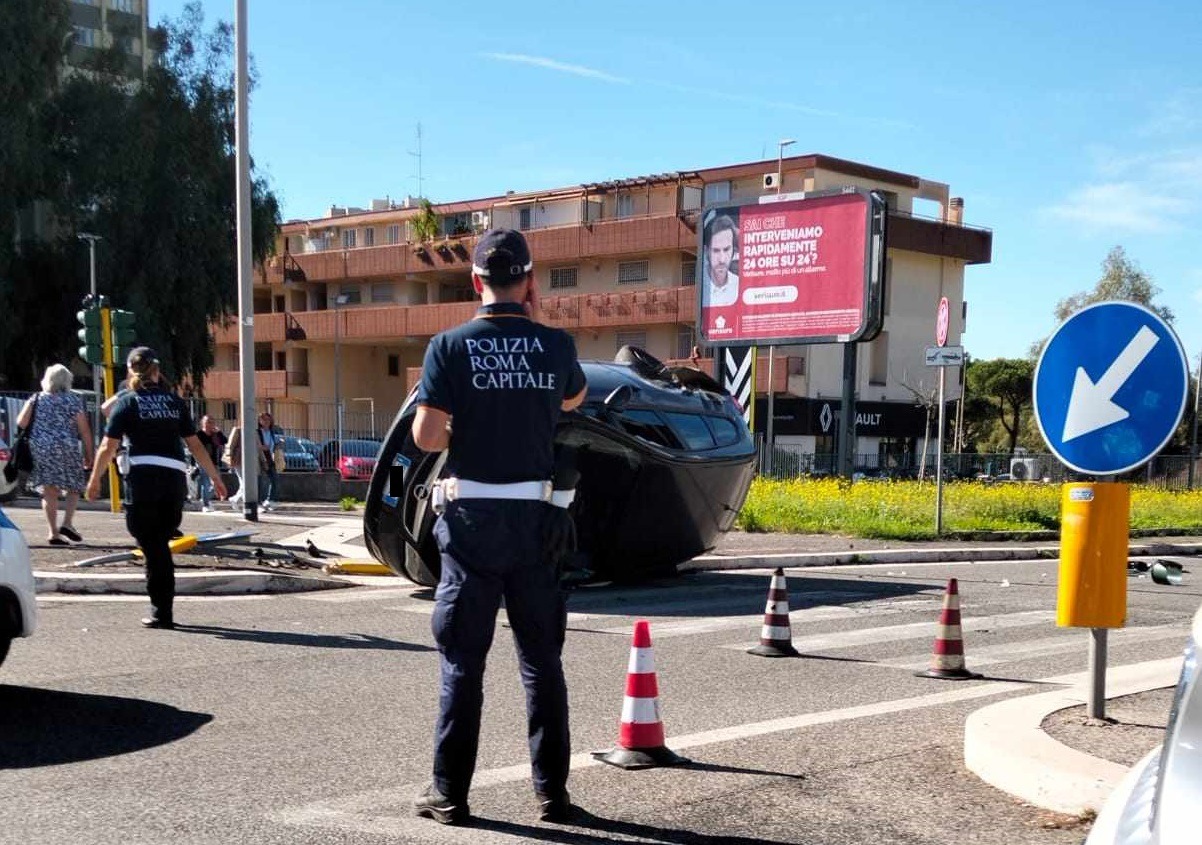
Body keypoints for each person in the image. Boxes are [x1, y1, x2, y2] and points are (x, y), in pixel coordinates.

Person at [411, 229, 587, 826]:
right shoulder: (556, 345)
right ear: (531, 283)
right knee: (542, 662)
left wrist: (469, 425)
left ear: (475, 281)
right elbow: (574, 401)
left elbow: (427, 437)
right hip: (537, 522)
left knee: (464, 662)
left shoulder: (448, 346)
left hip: (472, 522)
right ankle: (552, 795)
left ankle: (450, 795)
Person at [85, 348, 227, 629]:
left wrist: (93, 480)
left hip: (144, 480)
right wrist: (216, 478)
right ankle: (163, 609)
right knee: (158, 544)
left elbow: (107, 446)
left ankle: (162, 612)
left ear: (130, 371)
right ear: (157, 372)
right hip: (174, 482)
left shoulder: (127, 402)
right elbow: (195, 445)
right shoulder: (174, 402)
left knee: (152, 545)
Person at [17, 364, 94, 545]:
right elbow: (84, 430)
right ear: (67, 381)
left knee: (49, 491)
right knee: (74, 486)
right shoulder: (73, 400)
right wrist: (89, 454)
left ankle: (53, 532)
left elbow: (21, 422)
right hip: (67, 447)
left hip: (41, 447)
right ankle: (67, 523)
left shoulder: (36, 398)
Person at [703, 213, 740, 308]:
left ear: (733, 249)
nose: (722, 259)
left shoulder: (739, 285)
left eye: (727, 249)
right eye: (716, 250)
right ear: (706, 251)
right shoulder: (699, 285)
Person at [195, 416, 227, 512]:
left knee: (215, 483)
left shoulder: (215, 434)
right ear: (203, 423)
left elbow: (224, 441)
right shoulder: (199, 434)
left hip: (214, 462)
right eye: (208, 422)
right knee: (206, 482)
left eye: (212, 422)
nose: (210, 424)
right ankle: (205, 504)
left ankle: (205, 500)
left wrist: (219, 432)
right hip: (202, 462)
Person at [255, 412, 285, 510]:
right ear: (259, 421)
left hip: (270, 458)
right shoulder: (257, 432)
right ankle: (258, 503)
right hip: (260, 458)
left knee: (274, 479)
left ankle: (269, 500)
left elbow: (272, 445)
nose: (266, 421)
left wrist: (278, 444)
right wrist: (262, 447)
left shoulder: (272, 432)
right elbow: (256, 445)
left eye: (268, 419)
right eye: (264, 419)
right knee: (259, 481)